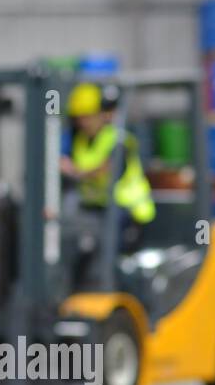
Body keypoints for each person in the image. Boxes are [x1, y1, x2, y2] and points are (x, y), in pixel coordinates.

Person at [59, 82, 155, 284]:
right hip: (100, 208)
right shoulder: (81, 141)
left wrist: (75, 171)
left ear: (102, 114)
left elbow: (105, 169)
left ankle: (105, 285)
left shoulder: (119, 139)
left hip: (129, 212)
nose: (83, 122)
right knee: (71, 235)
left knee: (100, 253)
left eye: (87, 116)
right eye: (79, 117)